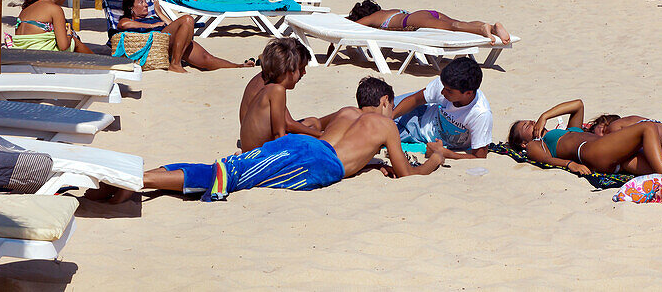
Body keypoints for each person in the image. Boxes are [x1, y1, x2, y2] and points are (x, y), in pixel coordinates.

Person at [105, 77, 445, 202]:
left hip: (305, 146)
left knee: (227, 169)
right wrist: (434, 160)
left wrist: (368, 161)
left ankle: (144, 178)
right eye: (392, 105)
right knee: (226, 179)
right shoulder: (384, 127)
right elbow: (406, 176)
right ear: (385, 102)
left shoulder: (346, 113)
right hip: (317, 163)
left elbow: (311, 124)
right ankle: (140, 179)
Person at [507, 100, 662, 194]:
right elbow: (543, 159)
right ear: (522, 142)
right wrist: (570, 164)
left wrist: (545, 115)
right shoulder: (536, 144)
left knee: (654, 165)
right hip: (590, 153)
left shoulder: (570, 129)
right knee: (647, 129)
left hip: (610, 156)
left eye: (529, 120)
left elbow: (577, 104)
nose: (531, 123)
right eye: (526, 126)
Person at [116, 0, 253, 73]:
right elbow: (123, 25)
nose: (146, 4)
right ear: (131, 8)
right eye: (141, 2)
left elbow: (172, 26)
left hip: (170, 43)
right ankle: (175, 64)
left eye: (146, 1)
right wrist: (151, 26)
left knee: (206, 58)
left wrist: (160, 13)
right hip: (155, 44)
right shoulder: (127, 20)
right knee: (187, 19)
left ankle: (238, 66)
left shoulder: (153, 18)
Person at [392, 57, 492, 160]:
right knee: (382, 108)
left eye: (449, 91)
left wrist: (444, 153)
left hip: (416, 135)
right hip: (421, 113)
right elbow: (415, 99)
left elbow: (479, 156)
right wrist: (390, 116)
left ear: (468, 93)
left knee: (381, 134)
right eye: (443, 87)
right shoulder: (447, 83)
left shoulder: (480, 114)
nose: (442, 92)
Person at [238, 38, 322, 151]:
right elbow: (280, 132)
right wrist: (320, 135)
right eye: (300, 69)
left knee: (314, 124)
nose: (303, 73)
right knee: (314, 139)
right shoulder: (277, 90)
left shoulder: (269, 86)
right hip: (258, 151)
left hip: (253, 146)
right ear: (289, 70)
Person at [347, 0, 511, 43]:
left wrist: (334, 42)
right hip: (424, 14)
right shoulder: (385, 12)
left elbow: (350, 27)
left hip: (412, 20)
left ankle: (482, 29)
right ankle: (493, 28)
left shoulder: (372, 18)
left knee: (453, 27)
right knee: (459, 22)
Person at [13, 0, 93, 53]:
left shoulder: (27, 8)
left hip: (20, 49)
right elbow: (63, 46)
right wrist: (69, 34)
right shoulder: (54, 9)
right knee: (74, 42)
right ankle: (99, 62)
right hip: (39, 51)